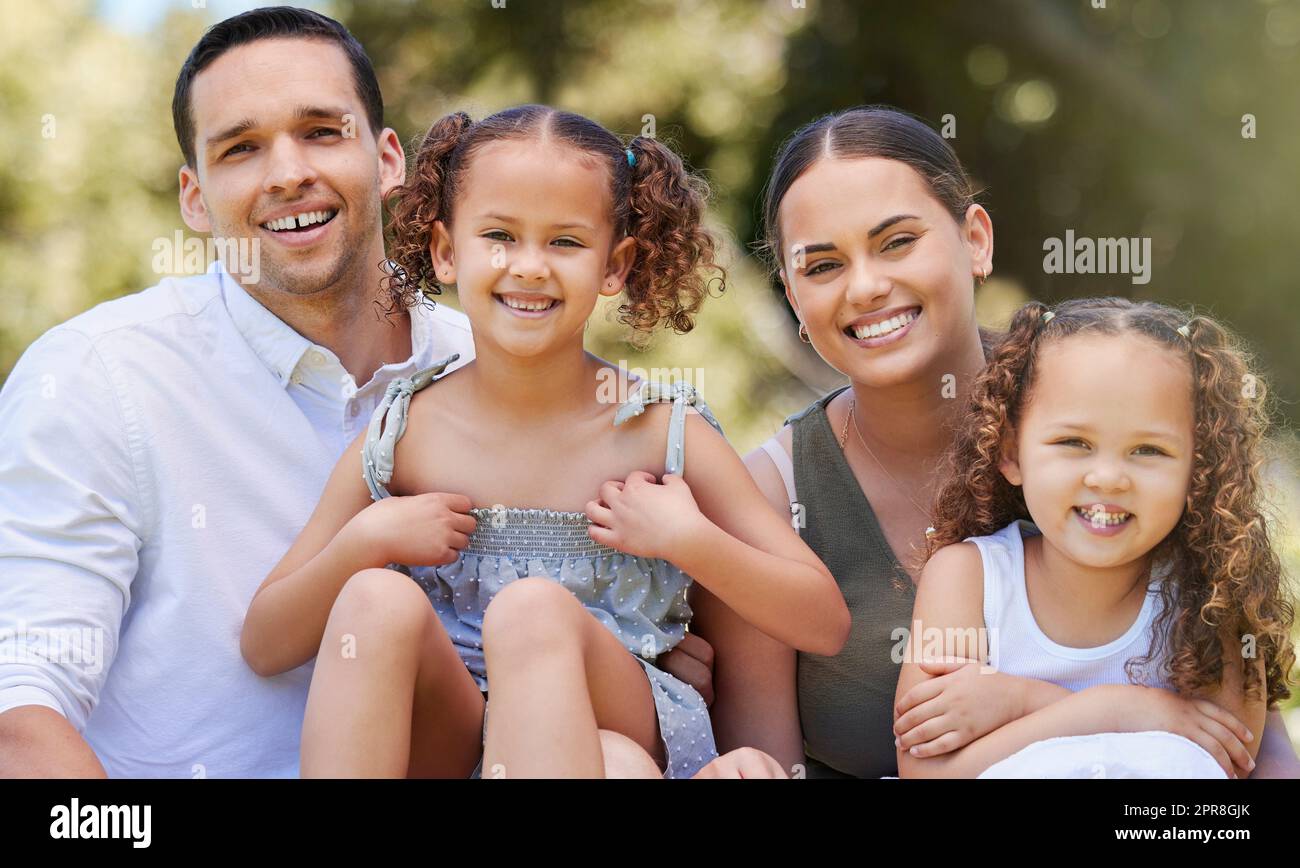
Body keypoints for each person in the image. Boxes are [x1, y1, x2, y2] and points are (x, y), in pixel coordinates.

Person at [668, 105, 1300, 778]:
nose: (867, 286)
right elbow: (767, 766)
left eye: (896, 242)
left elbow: (1253, 744)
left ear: (975, 239)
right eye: (822, 265)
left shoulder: (1115, 420)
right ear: (793, 295)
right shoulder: (767, 498)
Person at [240, 105, 849, 778]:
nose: (529, 266)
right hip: (460, 733)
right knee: (372, 601)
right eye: (499, 235)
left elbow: (822, 620)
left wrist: (687, 539)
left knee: (532, 616)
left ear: (614, 265)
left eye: (564, 242)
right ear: (446, 252)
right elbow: (266, 641)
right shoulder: (405, 433)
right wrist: (366, 541)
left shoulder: (657, 430)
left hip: (615, 724)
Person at [0, 7, 474, 777]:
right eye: (242, 148)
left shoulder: (496, 366)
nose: (287, 173)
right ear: (194, 198)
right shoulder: (97, 377)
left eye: (321, 131)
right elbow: (21, 716)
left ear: (388, 159)